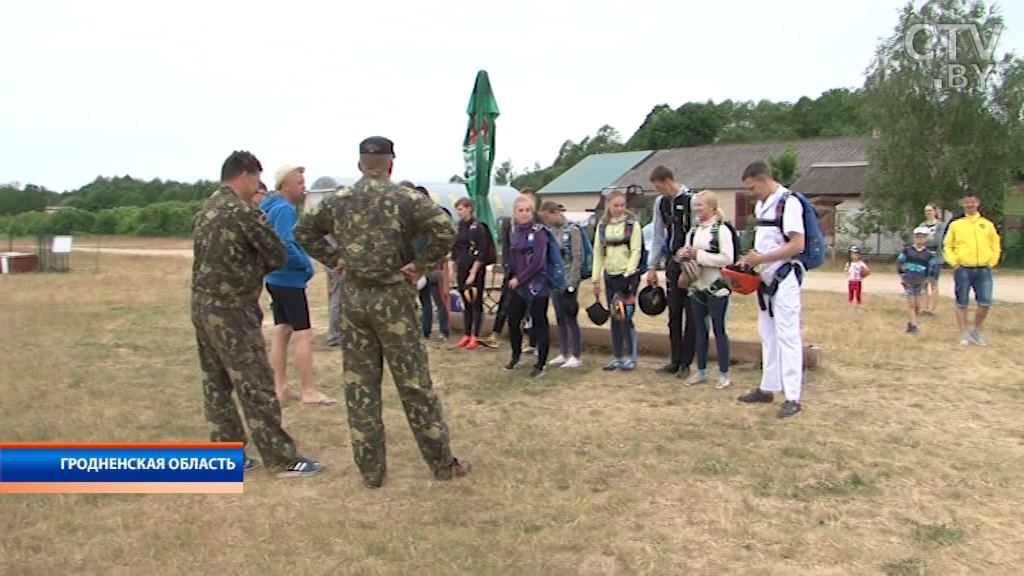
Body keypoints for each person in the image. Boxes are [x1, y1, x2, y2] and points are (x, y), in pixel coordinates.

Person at [293, 136, 470, 488]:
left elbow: (303, 231)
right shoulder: (405, 199)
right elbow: (444, 229)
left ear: (360, 165)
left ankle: (371, 471)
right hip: (393, 299)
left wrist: (335, 259)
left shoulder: (339, 200)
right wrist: (420, 264)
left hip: (354, 299)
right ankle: (441, 464)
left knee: (361, 387)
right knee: (415, 385)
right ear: (391, 164)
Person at [191, 150, 322, 478]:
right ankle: (282, 458)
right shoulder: (243, 212)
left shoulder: (207, 209)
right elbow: (277, 252)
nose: (258, 187)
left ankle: (224, 453)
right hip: (233, 308)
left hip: (202, 305)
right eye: (256, 180)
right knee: (256, 383)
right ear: (246, 175)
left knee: (216, 382)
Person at [261, 165, 338, 407]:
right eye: (300, 183)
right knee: (303, 333)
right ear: (286, 185)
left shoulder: (268, 207)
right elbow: (285, 242)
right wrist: (305, 264)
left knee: (281, 330)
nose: (304, 188)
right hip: (289, 279)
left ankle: (280, 385)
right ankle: (308, 390)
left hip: (273, 277)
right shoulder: (284, 209)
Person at [736, 161, 805, 419]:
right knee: (768, 334)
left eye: (753, 187)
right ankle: (768, 386)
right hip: (765, 279)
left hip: (784, 278)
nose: (751, 192)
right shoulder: (762, 204)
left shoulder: (789, 203)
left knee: (788, 335)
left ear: (764, 179)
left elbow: (796, 245)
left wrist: (761, 260)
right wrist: (750, 261)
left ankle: (793, 396)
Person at [646, 166, 698, 380]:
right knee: (673, 313)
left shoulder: (691, 200)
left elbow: (695, 230)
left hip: (690, 262)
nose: (660, 192)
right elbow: (658, 233)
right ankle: (675, 359)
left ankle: (686, 362)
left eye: (660, 187)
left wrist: (687, 262)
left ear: (669, 181)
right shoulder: (661, 203)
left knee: (691, 315)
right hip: (671, 262)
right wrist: (652, 265)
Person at [679, 190, 734, 389]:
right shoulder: (693, 231)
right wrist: (683, 255)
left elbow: (727, 258)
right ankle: (700, 371)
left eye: (700, 205)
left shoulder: (722, 230)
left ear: (711, 207)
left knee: (719, 330)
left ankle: (723, 374)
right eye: (695, 206)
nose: (697, 209)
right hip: (697, 287)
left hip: (717, 287)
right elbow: (687, 255)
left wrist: (699, 255)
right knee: (700, 330)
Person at [592, 191, 643, 371]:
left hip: (627, 276)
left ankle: (631, 357)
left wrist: (629, 273)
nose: (619, 209)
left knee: (625, 316)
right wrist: (595, 278)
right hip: (610, 275)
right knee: (614, 316)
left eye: (622, 205)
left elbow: (636, 250)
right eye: (616, 205)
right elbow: (598, 252)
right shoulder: (602, 227)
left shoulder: (632, 225)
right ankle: (618, 356)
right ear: (608, 205)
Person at [943, 189, 1001, 346]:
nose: (970, 204)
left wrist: (992, 261)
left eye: (973, 202)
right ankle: (963, 333)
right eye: (967, 202)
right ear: (963, 204)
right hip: (963, 269)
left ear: (978, 203)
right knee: (962, 302)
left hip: (983, 269)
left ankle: (976, 330)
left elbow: (995, 244)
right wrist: (954, 263)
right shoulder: (956, 225)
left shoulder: (987, 224)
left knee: (985, 302)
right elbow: (948, 245)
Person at [503, 194, 551, 378]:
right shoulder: (515, 232)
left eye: (527, 210)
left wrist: (519, 279)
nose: (524, 214)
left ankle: (541, 365)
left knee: (540, 324)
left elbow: (538, 263)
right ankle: (516, 357)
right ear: (514, 213)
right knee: (513, 321)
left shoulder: (539, 232)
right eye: (520, 210)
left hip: (538, 285)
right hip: (520, 287)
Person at [540, 201, 583, 369]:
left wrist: (572, 283)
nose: (546, 221)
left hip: (569, 280)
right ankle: (563, 352)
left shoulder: (572, 230)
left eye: (547, 217)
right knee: (559, 317)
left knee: (570, 315)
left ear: (554, 213)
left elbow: (577, 257)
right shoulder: (550, 231)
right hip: (555, 280)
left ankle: (576, 354)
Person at [451, 197, 490, 349]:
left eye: (460, 209)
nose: (458, 212)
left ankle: (476, 334)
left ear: (469, 208)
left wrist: (473, 272)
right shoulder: (460, 226)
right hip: (462, 267)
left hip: (475, 269)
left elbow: (482, 251)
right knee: (465, 302)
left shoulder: (478, 227)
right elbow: (455, 247)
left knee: (475, 302)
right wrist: (453, 265)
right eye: (457, 209)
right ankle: (466, 333)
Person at [415, 186, 451, 342]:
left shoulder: (437, 214)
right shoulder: (416, 218)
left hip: (435, 264)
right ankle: (425, 330)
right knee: (425, 300)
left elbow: (446, 236)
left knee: (440, 298)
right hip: (420, 265)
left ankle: (444, 330)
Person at [897, 228, 937, 334]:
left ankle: (911, 322)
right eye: (917, 237)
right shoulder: (907, 250)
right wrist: (902, 275)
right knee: (911, 304)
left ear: (926, 239)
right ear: (914, 238)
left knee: (917, 305)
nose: (919, 239)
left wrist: (928, 278)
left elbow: (933, 267)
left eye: (922, 237)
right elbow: (899, 262)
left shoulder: (929, 254)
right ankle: (914, 326)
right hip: (908, 280)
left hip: (920, 281)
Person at [918, 203, 947, 315]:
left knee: (933, 282)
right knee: (923, 283)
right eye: (926, 211)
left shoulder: (940, 226)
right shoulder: (922, 225)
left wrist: (926, 240)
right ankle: (925, 308)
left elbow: (938, 241)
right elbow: (918, 240)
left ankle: (931, 309)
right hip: (923, 257)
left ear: (935, 211)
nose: (928, 213)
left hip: (935, 257)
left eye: (930, 210)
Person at [844, 247, 871, 311]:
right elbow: (846, 271)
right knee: (851, 294)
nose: (854, 256)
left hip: (858, 281)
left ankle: (859, 306)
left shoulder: (861, 263)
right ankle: (850, 306)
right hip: (851, 281)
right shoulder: (849, 264)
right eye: (852, 254)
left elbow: (868, 271)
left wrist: (863, 275)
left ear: (859, 255)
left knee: (858, 294)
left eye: (856, 254)